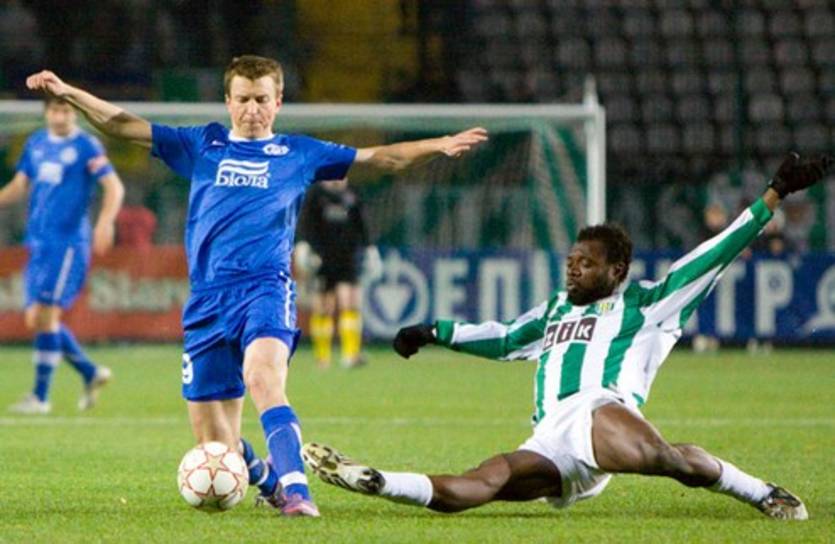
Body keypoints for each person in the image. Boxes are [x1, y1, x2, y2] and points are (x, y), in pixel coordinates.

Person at [25, 55, 487, 517]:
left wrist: (438, 144)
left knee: (262, 378)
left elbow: (380, 157)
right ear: (228, 101)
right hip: (207, 300)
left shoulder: (299, 153)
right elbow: (124, 125)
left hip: (265, 288)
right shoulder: (201, 144)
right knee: (217, 447)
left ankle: (297, 492)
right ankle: (268, 481)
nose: (252, 110)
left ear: (278, 101)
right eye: (243, 99)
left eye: (262, 100)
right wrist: (69, 93)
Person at [302, 153, 833, 521]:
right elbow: (505, 338)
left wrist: (772, 195)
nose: (573, 269)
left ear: (616, 270)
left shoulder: (648, 304)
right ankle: (377, 480)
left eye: (586, 263)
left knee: (667, 460)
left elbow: (714, 254)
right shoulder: (556, 309)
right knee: (481, 483)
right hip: (552, 437)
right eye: (571, 260)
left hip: (602, 408)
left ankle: (760, 492)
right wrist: (434, 331)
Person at [0, 96, 124, 415]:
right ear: (46, 114)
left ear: (75, 114)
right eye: (56, 110)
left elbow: (113, 186)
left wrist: (105, 222)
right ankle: (89, 371)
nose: (61, 117)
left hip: (67, 243)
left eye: (67, 111)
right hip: (38, 241)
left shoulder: (86, 146)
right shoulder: (36, 143)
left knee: (45, 316)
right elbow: (19, 186)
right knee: (36, 319)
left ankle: (40, 397)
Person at [295, 177, 382, 369]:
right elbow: (305, 222)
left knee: (350, 302)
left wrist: (369, 247)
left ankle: (351, 355)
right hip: (321, 257)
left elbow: (361, 222)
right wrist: (304, 245)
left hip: (347, 256)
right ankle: (322, 357)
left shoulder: (352, 192)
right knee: (323, 306)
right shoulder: (315, 193)